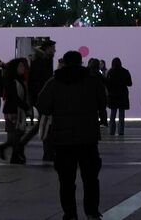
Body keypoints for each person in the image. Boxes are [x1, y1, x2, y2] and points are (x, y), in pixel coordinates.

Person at [37, 50, 107, 220]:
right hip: (88, 137)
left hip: (63, 139)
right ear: (81, 62)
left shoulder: (54, 82)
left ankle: (70, 214)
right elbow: (102, 102)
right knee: (90, 179)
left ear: (65, 63)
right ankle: (91, 212)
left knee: (66, 181)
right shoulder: (92, 81)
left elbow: (42, 105)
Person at [0, 57, 37, 164]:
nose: (23, 68)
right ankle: (14, 156)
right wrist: (25, 106)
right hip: (13, 111)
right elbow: (14, 97)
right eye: (20, 66)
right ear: (15, 68)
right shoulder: (11, 80)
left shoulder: (20, 79)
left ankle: (6, 150)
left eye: (24, 66)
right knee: (16, 134)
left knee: (17, 134)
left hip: (18, 110)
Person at [30, 41, 56, 161]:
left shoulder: (44, 62)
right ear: (46, 49)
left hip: (43, 99)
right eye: (52, 48)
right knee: (47, 126)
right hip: (43, 100)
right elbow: (38, 83)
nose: (54, 50)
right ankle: (48, 153)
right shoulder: (41, 63)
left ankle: (49, 152)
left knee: (44, 125)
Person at [105, 57, 133, 137]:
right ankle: (121, 131)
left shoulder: (110, 72)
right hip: (123, 95)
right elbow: (130, 84)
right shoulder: (125, 71)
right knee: (121, 114)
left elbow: (107, 84)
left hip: (113, 95)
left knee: (113, 114)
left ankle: (111, 131)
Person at [87, 57, 109, 129]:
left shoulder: (88, 73)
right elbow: (105, 82)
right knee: (102, 109)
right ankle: (103, 122)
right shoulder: (99, 73)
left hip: (90, 94)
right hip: (100, 94)